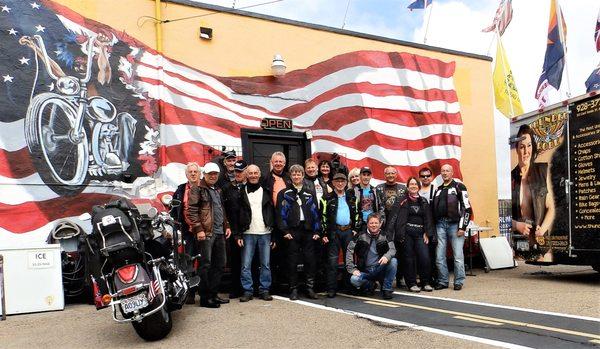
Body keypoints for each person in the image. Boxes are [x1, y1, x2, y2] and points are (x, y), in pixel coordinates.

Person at [186, 162, 232, 308]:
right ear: (204, 174)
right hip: (206, 233)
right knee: (205, 265)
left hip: (219, 233)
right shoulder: (197, 189)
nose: (213, 176)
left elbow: (221, 209)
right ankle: (205, 298)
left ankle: (213, 294)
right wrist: (199, 229)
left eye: (215, 174)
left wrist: (227, 225)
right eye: (210, 173)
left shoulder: (217, 190)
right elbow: (191, 211)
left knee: (220, 265)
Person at [276, 164, 321, 300]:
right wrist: (284, 231)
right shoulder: (284, 193)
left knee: (310, 260)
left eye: (299, 174)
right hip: (292, 231)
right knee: (292, 261)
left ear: (302, 176)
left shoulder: (309, 192)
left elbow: (315, 213)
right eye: (294, 174)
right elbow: (280, 214)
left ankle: (309, 288)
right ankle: (293, 289)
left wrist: (317, 231)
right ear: (290, 176)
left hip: (308, 230)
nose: (296, 176)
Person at [511, 124, 555, 257]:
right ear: (517, 149)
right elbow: (502, 216)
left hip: (542, 247)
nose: (526, 151)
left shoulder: (542, 171)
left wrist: (543, 229)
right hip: (519, 248)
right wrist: (516, 225)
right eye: (522, 147)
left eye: (529, 145)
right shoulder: (510, 178)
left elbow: (551, 207)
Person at [386, 177, 434, 292]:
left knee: (425, 257)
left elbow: (428, 218)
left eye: (415, 184)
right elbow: (393, 218)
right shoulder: (401, 200)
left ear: (419, 186)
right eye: (411, 184)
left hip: (421, 234)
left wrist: (427, 233)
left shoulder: (423, 201)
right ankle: (411, 283)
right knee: (408, 259)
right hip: (406, 234)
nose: (413, 186)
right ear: (407, 187)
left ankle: (425, 282)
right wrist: (392, 234)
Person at [236, 164, 275, 302]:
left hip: (265, 232)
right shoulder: (241, 192)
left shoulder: (266, 191)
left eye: (255, 173)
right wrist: (238, 234)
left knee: (265, 264)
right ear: (246, 175)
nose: (253, 175)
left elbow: (272, 212)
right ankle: (248, 291)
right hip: (247, 233)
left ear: (259, 175)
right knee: (246, 264)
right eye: (250, 173)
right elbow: (237, 214)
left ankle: (264, 290)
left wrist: (274, 235)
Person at [432, 164, 472, 291]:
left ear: (452, 172)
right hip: (440, 225)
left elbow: (467, 208)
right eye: (443, 171)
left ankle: (459, 281)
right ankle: (443, 281)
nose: (445, 173)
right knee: (439, 256)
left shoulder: (459, 187)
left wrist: (462, 227)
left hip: (455, 225)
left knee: (458, 256)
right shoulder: (437, 189)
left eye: (447, 171)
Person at [320, 172, 360, 298]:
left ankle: (349, 287)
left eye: (342, 181)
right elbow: (322, 217)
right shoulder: (326, 198)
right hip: (334, 232)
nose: (340, 183)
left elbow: (357, 214)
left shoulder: (353, 198)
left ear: (346, 183)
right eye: (337, 181)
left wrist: (355, 229)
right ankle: (331, 289)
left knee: (349, 261)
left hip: (348, 231)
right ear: (333, 183)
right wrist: (324, 233)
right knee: (332, 261)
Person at [346, 213, 397, 300]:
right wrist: (352, 269)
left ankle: (386, 289)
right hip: (365, 271)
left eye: (376, 223)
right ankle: (370, 284)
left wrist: (386, 256)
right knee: (354, 279)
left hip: (380, 268)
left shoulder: (386, 235)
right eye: (371, 223)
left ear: (380, 223)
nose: (374, 225)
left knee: (393, 261)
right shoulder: (360, 236)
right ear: (367, 224)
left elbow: (393, 250)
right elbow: (349, 251)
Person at [172, 162, 201, 304]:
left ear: (200, 174)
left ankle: (205, 291)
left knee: (204, 261)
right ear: (186, 174)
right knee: (188, 262)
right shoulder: (180, 190)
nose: (193, 173)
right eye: (191, 172)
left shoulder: (205, 188)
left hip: (203, 231)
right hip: (187, 232)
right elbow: (174, 209)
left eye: (196, 171)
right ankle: (190, 292)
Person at [221, 160, 248, 298]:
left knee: (249, 260)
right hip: (233, 230)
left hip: (249, 229)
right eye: (236, 171)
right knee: (235, 261)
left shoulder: (251, 187)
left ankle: (249, 288)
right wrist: (228, 226)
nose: (238, 174)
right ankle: (236, 288)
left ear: (246, 172)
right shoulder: (227, 188)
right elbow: (223, 210)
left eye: (241, 171)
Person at [418, 166, 437, 285]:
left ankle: (434, 278)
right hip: (420, 226)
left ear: (432, 177)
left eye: (428, 176)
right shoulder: (417, 191)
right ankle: (424, 279)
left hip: (433, 226)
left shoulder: (436, 190)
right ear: (419, 178)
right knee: (422, 254)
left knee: (433, 254)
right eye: (423, 176)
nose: (425, 178)